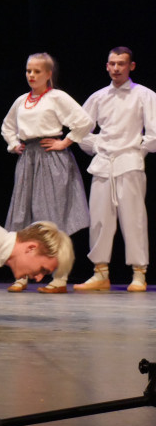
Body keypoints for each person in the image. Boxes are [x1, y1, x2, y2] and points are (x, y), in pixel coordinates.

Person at [0, 52, 93, 293]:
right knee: (23, 215)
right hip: (29, 159)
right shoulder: (22, 100)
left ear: (48, 74)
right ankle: (22, 274)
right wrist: (13, 144)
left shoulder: (57, 97)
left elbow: (84, 121)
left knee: (53, 217)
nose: (31, 75)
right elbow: (8, 126)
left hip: (51, 159)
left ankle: (60, 278)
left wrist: (65, 142)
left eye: (37, 71)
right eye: (29, 71)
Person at [73, 47, 156, 292]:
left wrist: (137, 151)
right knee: (99, 219)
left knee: (134, 219)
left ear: (131, 66)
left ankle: (139, 273)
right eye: (112, 63)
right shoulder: (98, 97)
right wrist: (98, 145)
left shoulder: (145, 95)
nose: (116, 68)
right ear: (107, 66)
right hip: (103, 165)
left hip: (129, 163)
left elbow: (153, 133)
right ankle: (100, 272)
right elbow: (79, 129)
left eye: (121, 63)